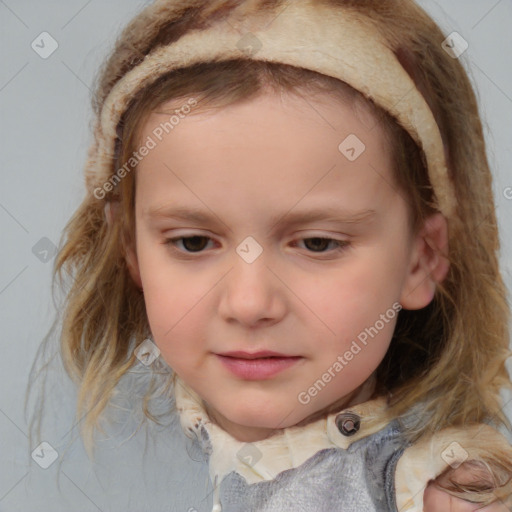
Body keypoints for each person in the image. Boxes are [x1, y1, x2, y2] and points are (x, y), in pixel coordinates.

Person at [28, 0, 512, 510]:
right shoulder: (126, 445)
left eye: (318, 243)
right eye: (193, 242)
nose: (249, 303)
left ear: (421, 258)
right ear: (131, 250)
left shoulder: (445, 495)